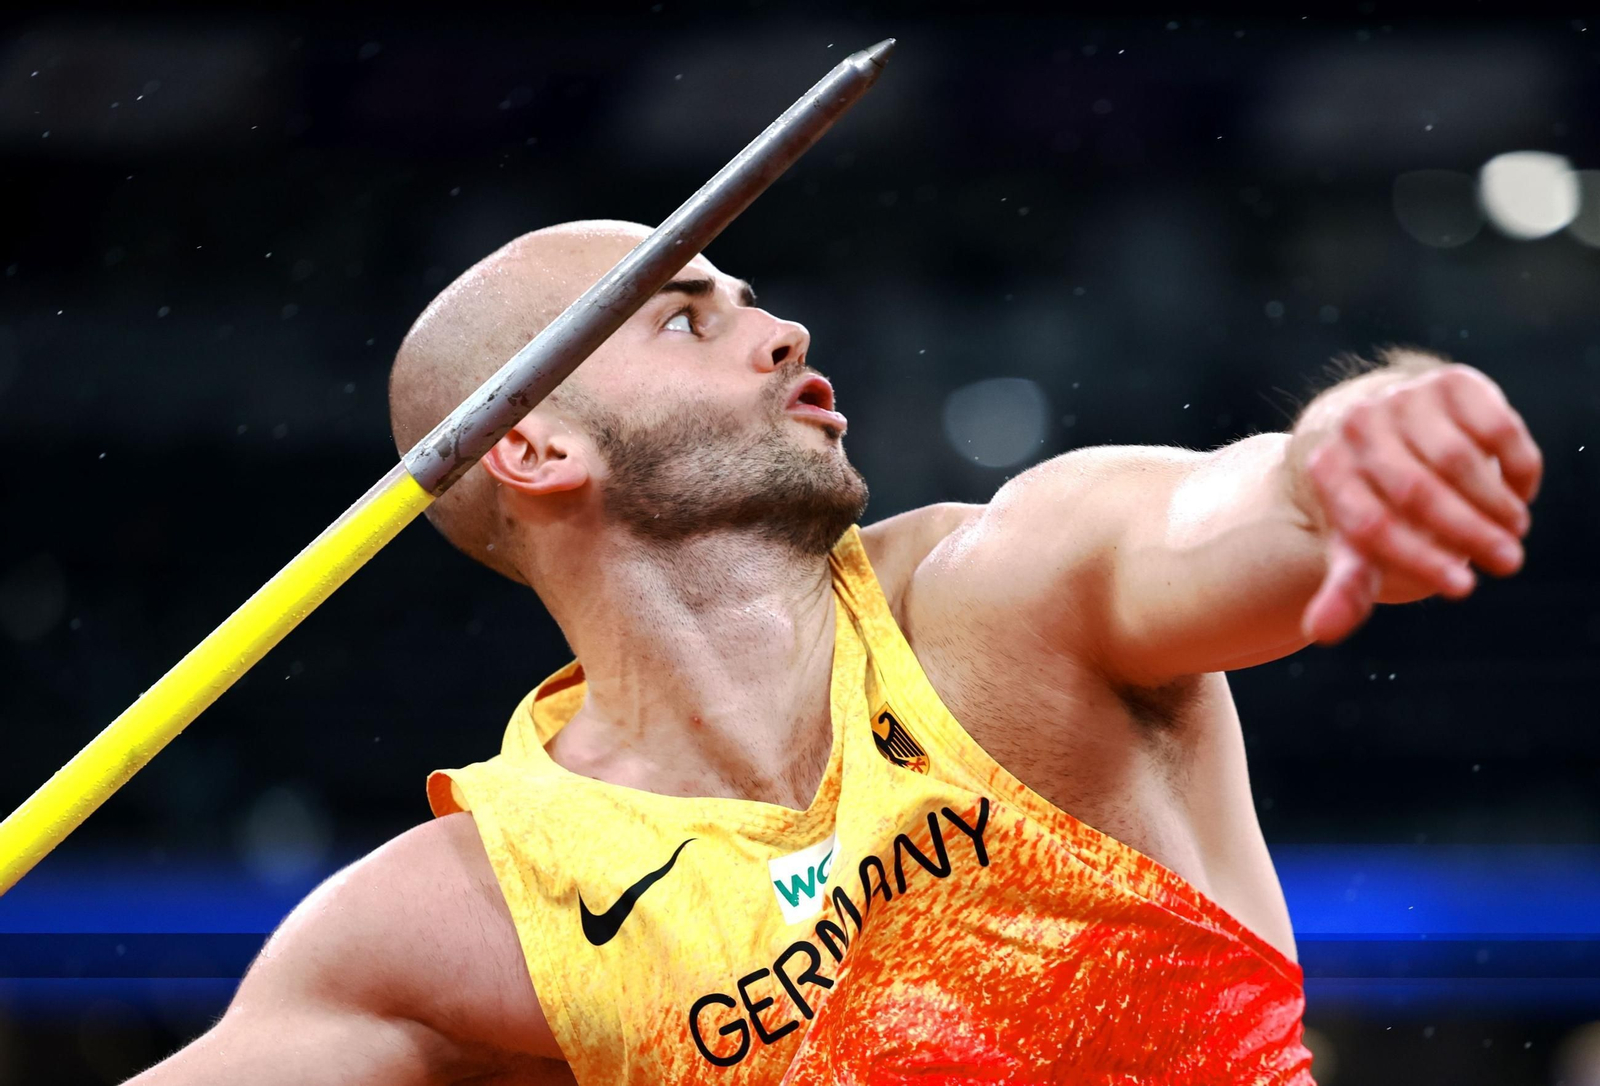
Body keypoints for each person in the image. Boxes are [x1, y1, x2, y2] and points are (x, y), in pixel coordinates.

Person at [126, 220, 1542, 1085]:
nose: (782, 326)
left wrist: (1344, 449)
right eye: (687, 312)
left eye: (752, 297)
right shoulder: (467, 919)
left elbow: (1212, 509)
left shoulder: (1002, 604)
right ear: (534, 444)